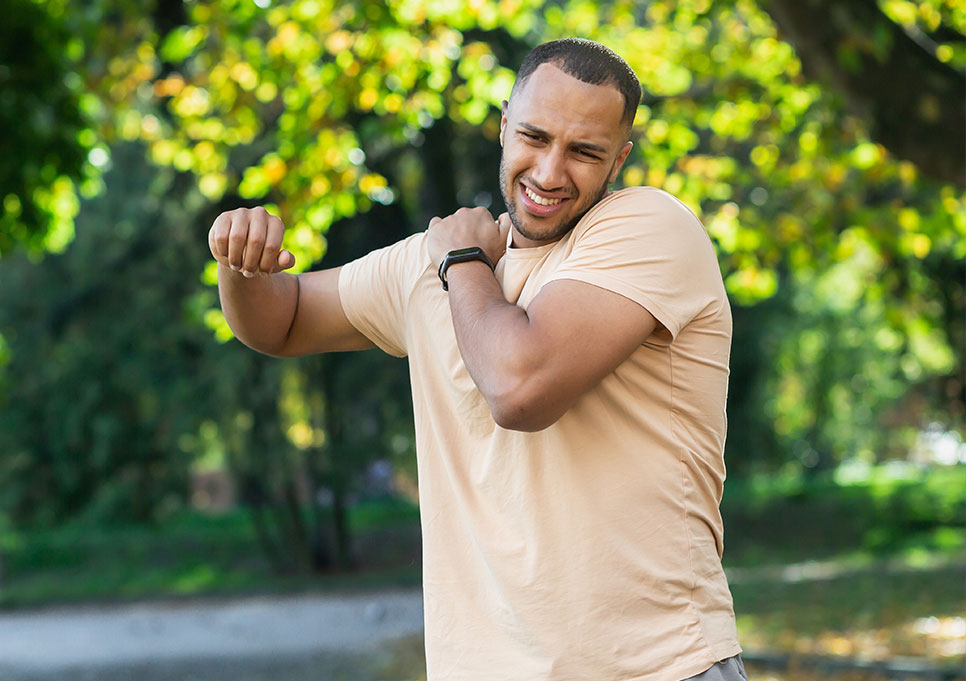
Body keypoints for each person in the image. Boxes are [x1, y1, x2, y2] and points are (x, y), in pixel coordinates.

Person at [209, 38, 746, 681]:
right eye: (534, 136)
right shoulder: (428, 262)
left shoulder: (648, 229)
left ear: (620, 159)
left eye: (584, 152)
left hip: (657, 668)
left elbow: (519, 387)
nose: (549, 172)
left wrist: (462, 263)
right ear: (502, 124)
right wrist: (242, 265)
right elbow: (284, 319)